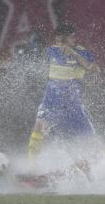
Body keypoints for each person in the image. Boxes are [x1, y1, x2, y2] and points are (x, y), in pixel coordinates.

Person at [28, 23, 100, 159]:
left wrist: (73, 54)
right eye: (57, 40)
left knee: (90, 140)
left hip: (73, 104)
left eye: (73, 36)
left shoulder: (82, 52)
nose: (75, 38)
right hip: (50, 102)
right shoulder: (51, 51)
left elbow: (95, 69)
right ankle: (32, 169)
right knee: (38, 127)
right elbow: (43, 69)